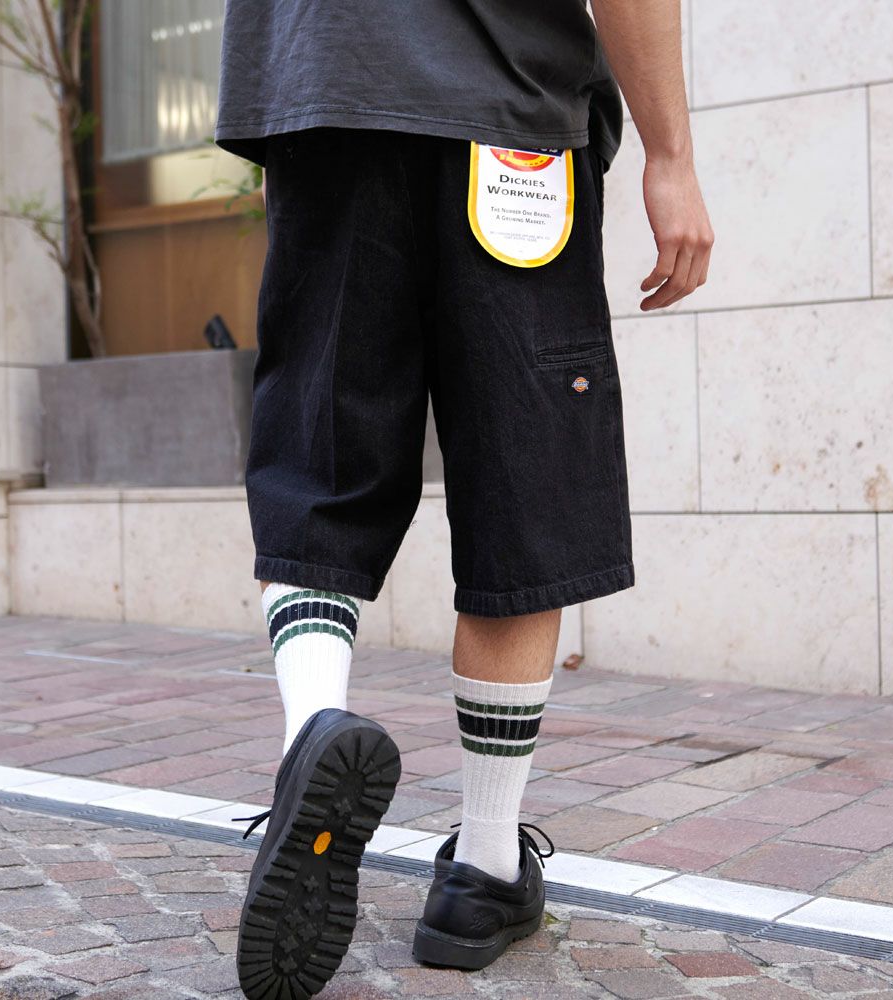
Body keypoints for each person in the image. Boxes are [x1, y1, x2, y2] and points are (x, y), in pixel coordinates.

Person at [215, 1, 713, 996]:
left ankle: (314, 728)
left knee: (319, 460)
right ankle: (483, 871)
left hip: (324, 101)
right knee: (522, 483)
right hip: (508, 114)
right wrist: (671, 155)